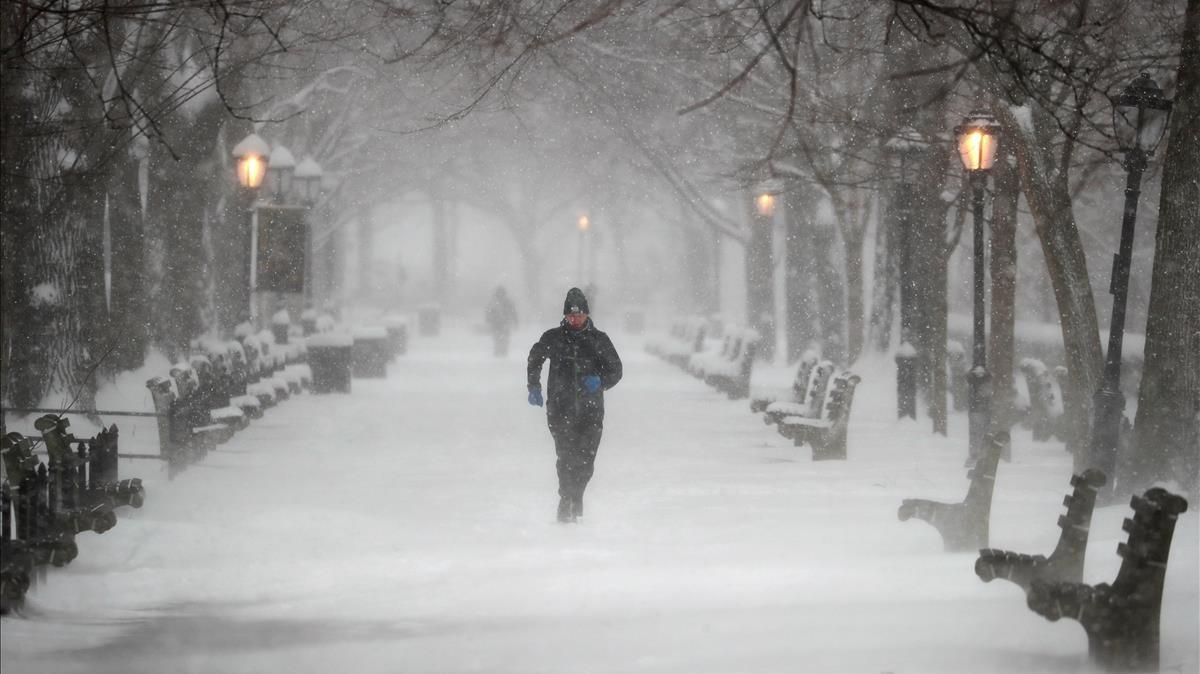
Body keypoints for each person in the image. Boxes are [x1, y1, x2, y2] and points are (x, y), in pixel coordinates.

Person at [527, 287, 622, 523]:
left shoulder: (599, 341)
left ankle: (575, 495)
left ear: (587, 315)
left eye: (579, 315)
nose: (575, 319)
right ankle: (566, 499)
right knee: (566, 456)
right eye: (570, 315)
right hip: (560, 409)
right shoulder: (553, 338)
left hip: (591, 411)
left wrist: (600, 380)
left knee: (586, 461)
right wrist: (534, 386)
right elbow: (535, 358)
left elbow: (616, 370)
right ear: (565, 316)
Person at [485, 286, 519, 356]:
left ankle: (502, 352)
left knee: (503, 339)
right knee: (498, 339)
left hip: (503, 324)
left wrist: (515, 321)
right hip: (498, 324)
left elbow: (513, 312)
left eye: (501, 293)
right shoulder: (495, 302)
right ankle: (498, 352)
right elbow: (489, 312)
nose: (500, 295)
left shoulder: (503, 302)